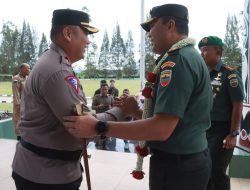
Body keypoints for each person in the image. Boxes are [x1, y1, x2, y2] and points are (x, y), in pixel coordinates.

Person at [63, 4, 212, 190]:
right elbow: (172, 122)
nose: (149, 34)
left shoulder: (178, 62)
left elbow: (161, 129)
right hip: (185, 162)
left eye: (152, 26)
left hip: (179, 169)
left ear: (170, 25)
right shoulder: (188, 56)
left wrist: (98, 127)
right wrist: (135, 110)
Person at [11, 9, 137, 190]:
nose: (88, 40)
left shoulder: (54, 62)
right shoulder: (57, 71)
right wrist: (123, 111)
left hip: (42, 171)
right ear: (68, 33)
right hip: (47, 178)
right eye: (85, 33)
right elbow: (84, 127)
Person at [199, 36, 244, 190]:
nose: (202, 54)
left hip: (223, 130)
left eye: (205, 50)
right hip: (204, 129)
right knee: (204, 170)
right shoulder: (203, 73)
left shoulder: (229, 74)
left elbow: (237, 105)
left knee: (216, 170)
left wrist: (233, 134)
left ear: (218, 51)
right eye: (201, 50)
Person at [92, 83, 114, 150]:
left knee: (107, 130)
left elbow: (114, 106)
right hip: (99, 117)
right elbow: (92, 107)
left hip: (108, 117)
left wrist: (111, 107)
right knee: (99, 131)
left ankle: (105, 144)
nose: (104, 90)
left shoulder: (110, 97)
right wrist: (98, 106)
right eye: (103, 89)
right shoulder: (96, 97)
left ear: (108, 90)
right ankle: (98, 143)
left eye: (106, 89)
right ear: (100, 89)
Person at [12, 63, 30, 140]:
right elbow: (15, 93)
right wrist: (18, 105)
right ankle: (19, 142)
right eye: (28, 68)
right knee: (19, 124)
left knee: (26, 125)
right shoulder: (16, 78)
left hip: (27, 105)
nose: (29, 70)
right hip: (19, 106)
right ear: (23, 69)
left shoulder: (27, 78)